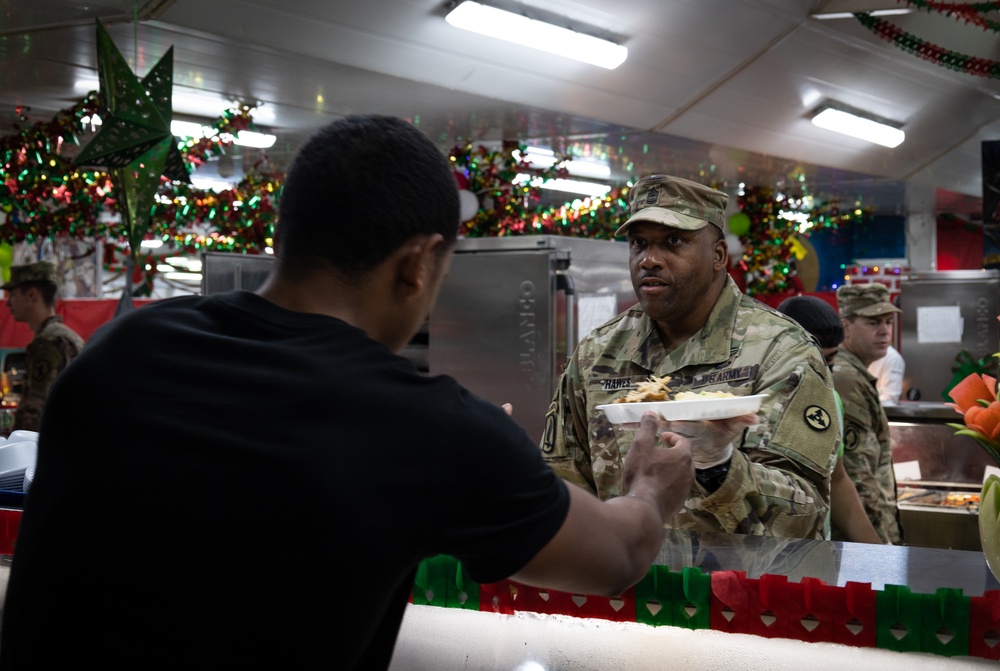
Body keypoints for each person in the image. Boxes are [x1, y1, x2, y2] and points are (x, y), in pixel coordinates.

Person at [0, 115, 697, 670]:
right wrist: (647, 487)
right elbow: (618, 557)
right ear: (417, 264)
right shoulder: (430, 431)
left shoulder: (117, 354)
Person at [541, 174, 841, 539]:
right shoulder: (596, 354)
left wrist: (720, 466)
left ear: (717, 256)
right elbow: (563, 488)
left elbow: (805, 515)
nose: (649, 259)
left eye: (673, 241)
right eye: (639, 244)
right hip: (629, 588)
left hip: (741, 592)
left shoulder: (781, 350)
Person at [776, 295, 885, 544]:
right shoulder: (751, 398)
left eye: (830, 362)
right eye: (811, 362)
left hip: (815, 553)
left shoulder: (830, 400)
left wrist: (878, 554)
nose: (821, 374)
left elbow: (837, 479)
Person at [832, 283, 904, 545]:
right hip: (858, 543)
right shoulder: (846, 379)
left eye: (888, 321)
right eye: (873, 322)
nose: (885, 330)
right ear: (846, 327)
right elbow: (856, 476)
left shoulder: (856, 372)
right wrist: (879, 547)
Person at [1, 260, 84, 432]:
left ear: (31, 295)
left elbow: (35, 412)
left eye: (12, 295)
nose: (8, 303)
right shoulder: (64, 337)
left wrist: (16, 444)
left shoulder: (47, 343)